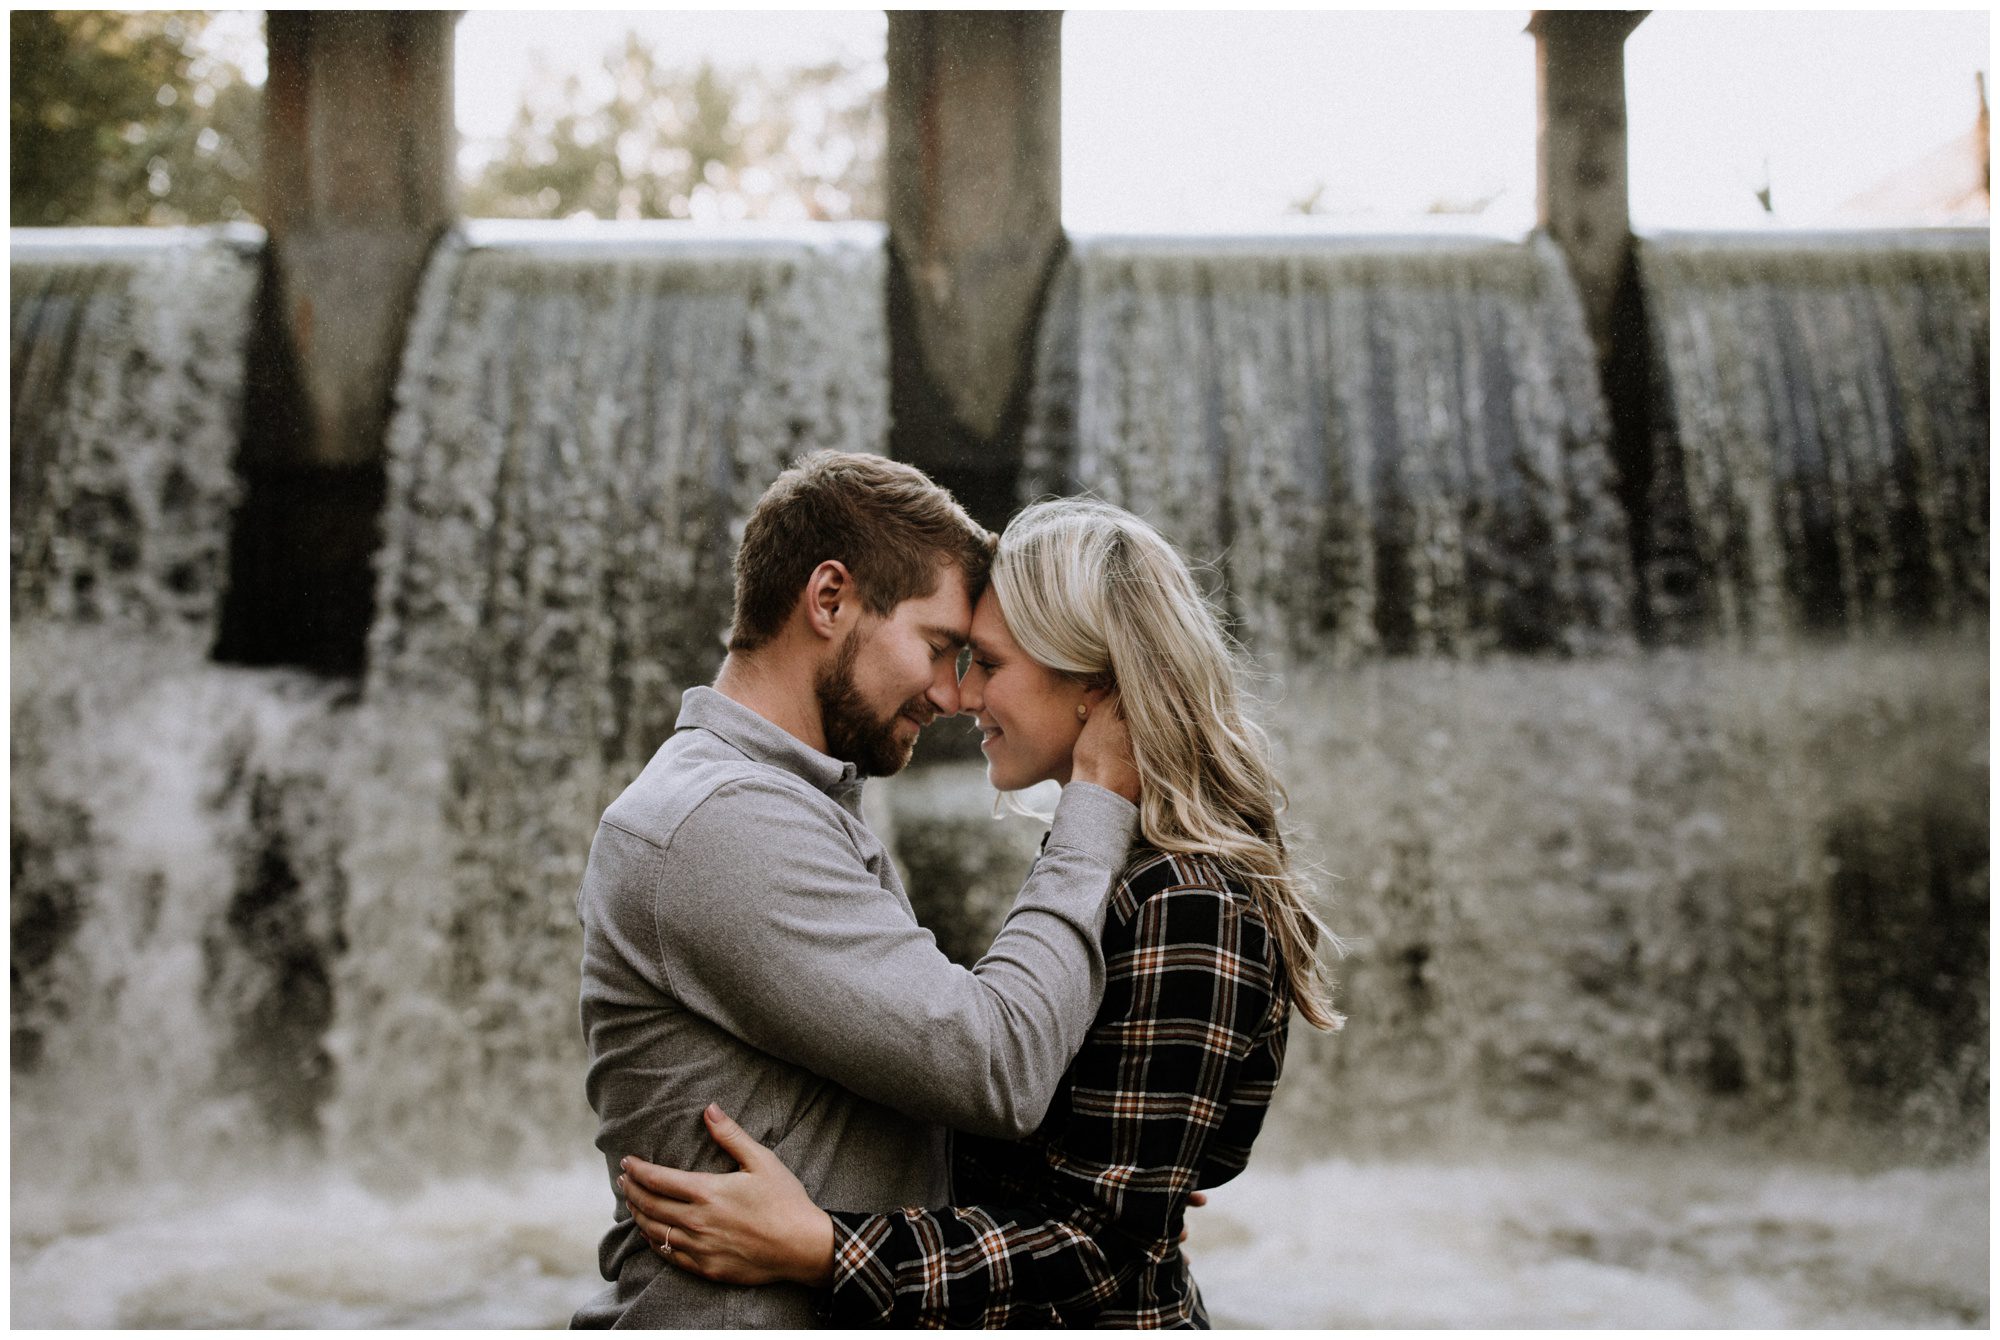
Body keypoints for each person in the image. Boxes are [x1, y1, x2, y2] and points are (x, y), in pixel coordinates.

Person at [617, 498, 1341, 1327]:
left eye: (984, 663)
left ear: (1093, 686)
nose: (961, 696)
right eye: (949, 654)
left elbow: (1098, 1251)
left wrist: (823, 1246)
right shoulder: (1116, 868)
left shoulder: (1190, 900)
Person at [572, 455, 1142, 1328]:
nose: (955, 694)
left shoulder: (788, 804)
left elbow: (925, 1093)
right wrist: (1095, 806)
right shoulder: (724, 824)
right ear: (829, 598)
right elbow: (997, 1065)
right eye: (938, 647)